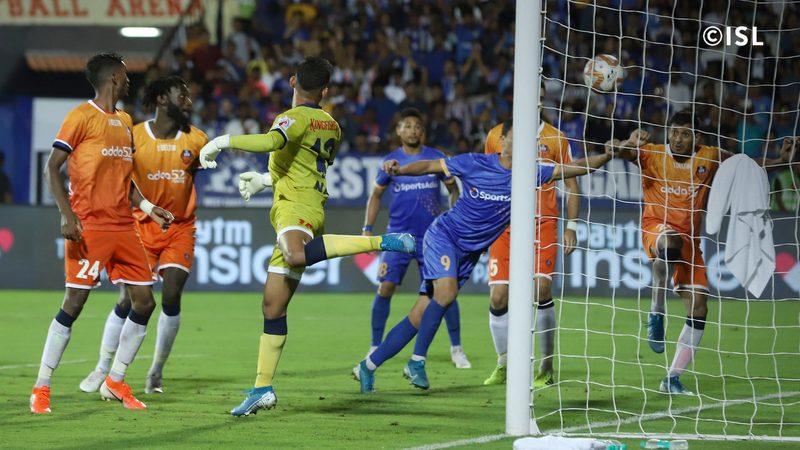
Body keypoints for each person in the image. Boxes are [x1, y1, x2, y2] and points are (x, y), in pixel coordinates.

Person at [197, 56, 415, 416]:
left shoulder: (292, 117)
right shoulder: (332, 125)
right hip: (307, 206)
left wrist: (221, 141)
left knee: (296, 254)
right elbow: (302, 165)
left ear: (292, 80)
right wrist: (265, 180)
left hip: (294, 208)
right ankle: (262, 388)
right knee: (273, 306)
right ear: (325, 91)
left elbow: (272, 141)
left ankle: (381, 242)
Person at [357, 118, 615, 393]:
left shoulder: (531, 173)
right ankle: (417, 362)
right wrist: (400, 170)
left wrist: (607, 155)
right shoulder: (475, 162)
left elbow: (576, 168)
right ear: (501, 140)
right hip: (445, 236)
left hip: (469, 253)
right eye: (516, 136)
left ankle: (368, 365)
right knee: (447, 293)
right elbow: (430, 166)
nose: (522, 142)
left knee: (420, 314)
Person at [608, 111, 793, 395]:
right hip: (656, 228)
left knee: (699, 308)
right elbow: (620, 152)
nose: (678, 139)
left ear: (697, 138)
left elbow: (745, 166)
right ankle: (656, 312)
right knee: (670, 243)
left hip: (691, 242)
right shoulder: (652, 153)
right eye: (674, 132)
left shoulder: (709, 156)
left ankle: (672, 378)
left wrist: (780, 161)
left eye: (685, 134)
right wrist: (626, 143)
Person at [31, 53, 173, 413]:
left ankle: (115, 381)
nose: (129, 81)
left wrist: (148, 208)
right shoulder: (80, 117)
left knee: (144, 301)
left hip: (124, 227)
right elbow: (52, 168)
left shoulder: (125, 121)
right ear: (113, 78)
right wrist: (67, 214)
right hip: (89, 226)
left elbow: (127, 181)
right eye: (125, 75)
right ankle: (42, 386)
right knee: (74, 303)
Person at [79, 76, 208, 395]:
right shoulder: (133, 136)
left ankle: (156, 371)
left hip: (179, 227)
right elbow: (117, 178)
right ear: (162, 99)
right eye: (183, 95)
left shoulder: (197, 140)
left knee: (172, 294)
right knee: (128, 299)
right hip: (138, 226)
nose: (189, 102)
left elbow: (198, 172)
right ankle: (102, 368)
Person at [482, 85, 581, 388]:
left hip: (542, 223)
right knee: (498, 296)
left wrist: (572, 226)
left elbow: (572, 184)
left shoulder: (556, 138)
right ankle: (504, 363)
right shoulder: (496, 135)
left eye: (539, 98)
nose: (534, 102)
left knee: (541, 289)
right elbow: (488, 178)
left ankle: (546, 368)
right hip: (504, 223)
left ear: (543, 101)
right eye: (530, 96)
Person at [359, 107, 470, 371]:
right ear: (399, 131)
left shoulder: (435, 158)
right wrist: (367, 228)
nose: (413, 130)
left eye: (417, 126)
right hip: (398, 237)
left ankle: (456, 348)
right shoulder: (390, 162)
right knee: (385, 287)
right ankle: (375, 346)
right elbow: (375, 196)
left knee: (445, 290)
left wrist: (454, 222)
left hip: (432, 238)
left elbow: (453, 190)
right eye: (407, 126)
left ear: (423, 131)